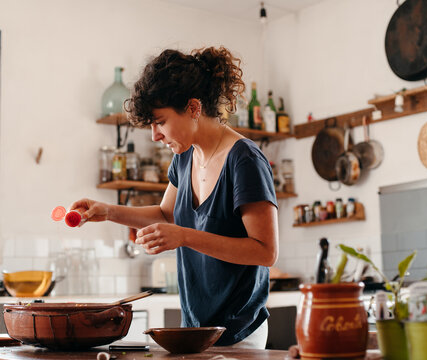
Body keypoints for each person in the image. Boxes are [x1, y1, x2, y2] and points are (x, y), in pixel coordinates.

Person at [71, 46, 278, 348]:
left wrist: (183, 236)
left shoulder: (244, 159)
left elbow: (265, 252)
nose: (154, 135)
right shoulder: (185, 156)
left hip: (239, 333)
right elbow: (168, 215)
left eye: (160, 122)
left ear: (194, 108)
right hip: (196, 328)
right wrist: (107, 211)